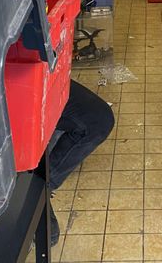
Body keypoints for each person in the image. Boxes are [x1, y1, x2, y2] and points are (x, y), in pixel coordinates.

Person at [48, 80, 115, 246]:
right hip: (3, 89)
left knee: (98, 119)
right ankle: (32, 196)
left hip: (39, 73)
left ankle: (41, 187)